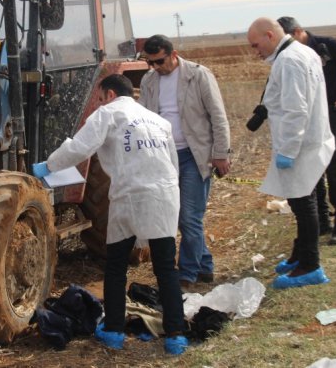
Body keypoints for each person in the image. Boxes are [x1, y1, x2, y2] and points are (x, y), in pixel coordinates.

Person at [32, 74, 188, 355]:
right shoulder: (158, 121)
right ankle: (175, 336)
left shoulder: (108, 113)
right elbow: (172, 163)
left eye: (101, 98)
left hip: (130, 195)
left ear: (111, 94)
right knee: (165, 267)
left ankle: (114, 331)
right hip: (164, 195)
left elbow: (80, 148)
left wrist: (49, 165)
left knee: (116, 266)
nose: (100, 103)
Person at [246, 17, 335, 289]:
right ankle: (300, 256)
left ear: (270, 36)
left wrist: (288, 150)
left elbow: (297, 109)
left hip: (301, 145)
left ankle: (310, 265)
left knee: (303, 204)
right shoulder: (300, 52)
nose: (254, 50)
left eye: (255, 44)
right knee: (306, 200)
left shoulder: (290, 60)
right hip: (310, 141)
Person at [139, 34, 231, 290]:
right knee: (179, 216)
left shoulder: (199, 75)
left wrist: (221, 153)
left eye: (159, 61)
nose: (155, 67)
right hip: (165, 156)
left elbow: (218, 116)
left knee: (190, 216)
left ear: (173, 54)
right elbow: (144, 117)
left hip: (194, 154)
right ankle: (205, 264)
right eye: (150, 63)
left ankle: (187, 273)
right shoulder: (149, 80)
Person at [277, 16, 336, 245]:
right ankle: (322, 222)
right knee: (312, 170)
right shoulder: (288, 55)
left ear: (298, 31)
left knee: (335, 170)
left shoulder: (325, 46)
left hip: (331, 116)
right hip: (306, 121)